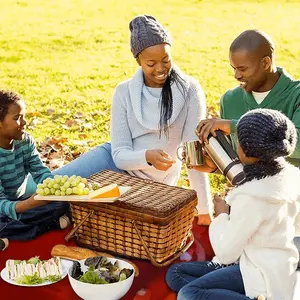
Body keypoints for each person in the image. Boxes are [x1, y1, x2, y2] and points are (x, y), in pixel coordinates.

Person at [54, 15, 212, 225]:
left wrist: (204, 210)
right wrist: (147, 156)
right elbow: (119, 155)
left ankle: (59, 218)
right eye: (151, 63)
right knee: (49, 189)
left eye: (166, 60)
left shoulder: (190, 90)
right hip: (113, 163)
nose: (160, 68)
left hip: (148, 185)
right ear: (138, 61)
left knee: (63, 205)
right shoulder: (124, 92)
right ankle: (13, 213)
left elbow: (193, 155)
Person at [166, 108, 300, 300]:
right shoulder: (291, 177)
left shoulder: (252, 197)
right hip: (272, 265)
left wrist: (222, 215)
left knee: (188, 293)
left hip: (260, 276)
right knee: (176, 274)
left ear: (245, 150)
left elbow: (226, 252)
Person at [195, 29, 300, 263]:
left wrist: (234, 126)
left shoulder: (297, 95)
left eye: (242, 69)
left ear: (266, 62)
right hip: (248, 203)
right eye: (233, 68)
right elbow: (244, 161)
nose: (236, 75)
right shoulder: (230, 100)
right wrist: (216, 166)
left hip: (290, 208)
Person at [0, 90, 70, 241]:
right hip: (5, 208)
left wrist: (53, 189)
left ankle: (16, 232)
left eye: (24, 116)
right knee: (2, 221)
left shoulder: (25, 141)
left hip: (21, 204)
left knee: (64, 203)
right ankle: (45, 226)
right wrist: (28, 204)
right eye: (17, 118)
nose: (24, 122)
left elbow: (40, 172)